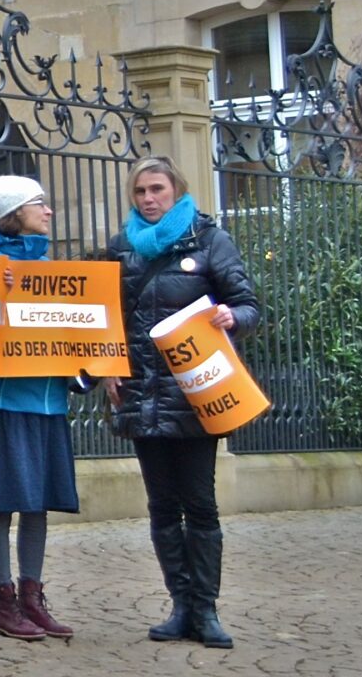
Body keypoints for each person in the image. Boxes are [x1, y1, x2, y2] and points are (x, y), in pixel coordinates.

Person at [108, 154, 259, 650]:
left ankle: (205, 610)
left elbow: (247, 303)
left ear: (176, 191)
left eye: (157, 190)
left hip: (197, 394)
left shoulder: (210, 241)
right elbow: (105, 317)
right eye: (141, 193)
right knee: (161, 506)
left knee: (200, 504)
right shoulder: (121, 249)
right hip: (143, 394)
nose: (149, 199)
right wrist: (108, 366)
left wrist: (229, 317)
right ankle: (179, 604)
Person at [0, 175, 82, 641]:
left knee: (38, 504)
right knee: (1, 502)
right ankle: (4, 602)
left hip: (48, 401)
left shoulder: (50, 266)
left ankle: (33, 599)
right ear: (14, 212)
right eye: (39, 203)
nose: (48, 210)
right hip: (2, 402)